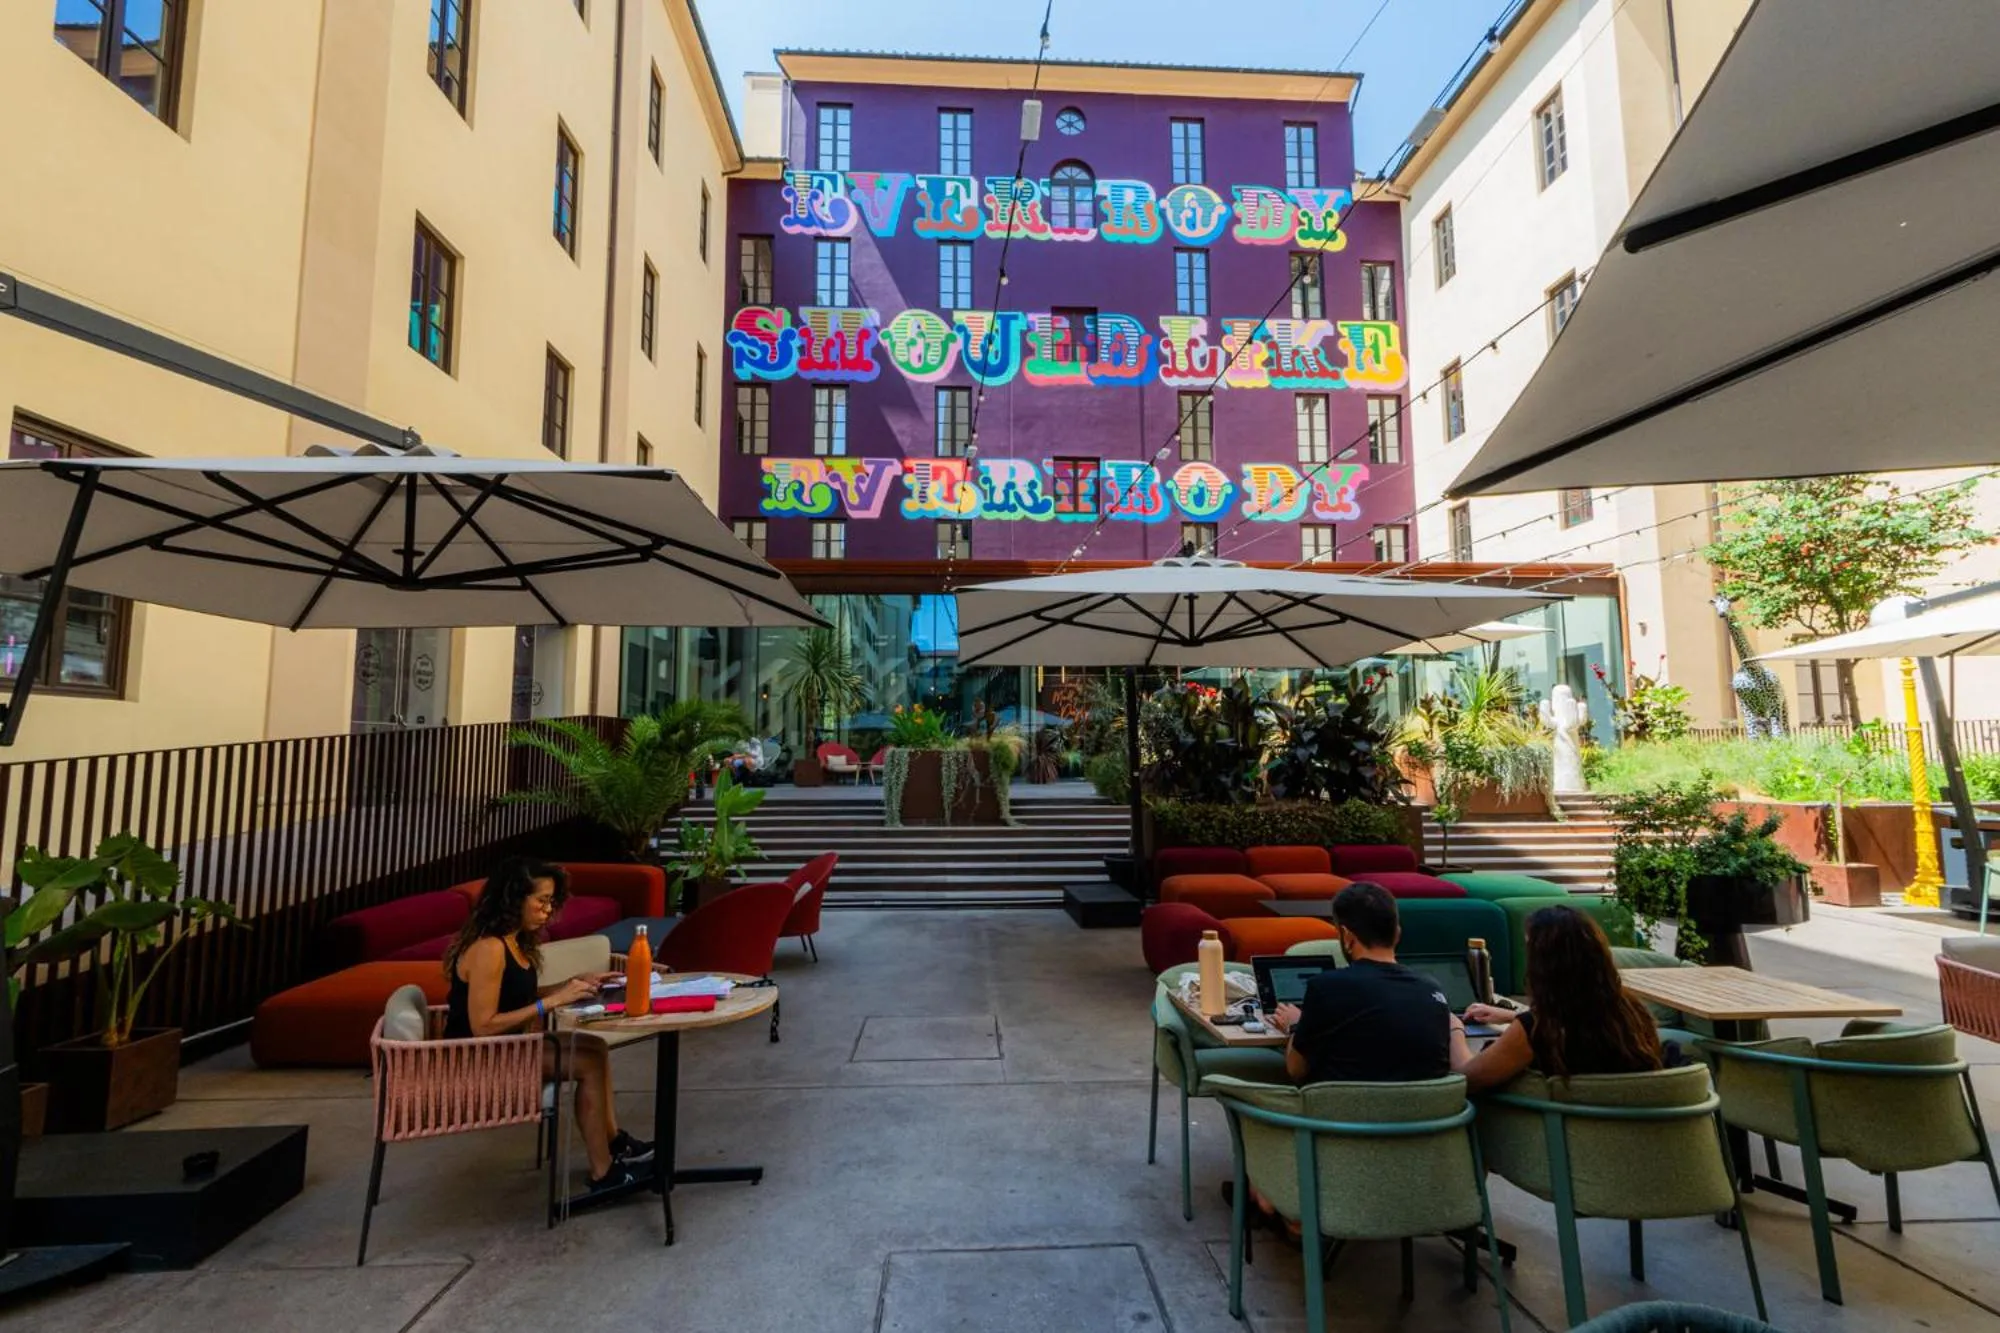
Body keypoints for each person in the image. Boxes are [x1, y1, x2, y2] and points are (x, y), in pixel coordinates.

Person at [443, 858, 653, 1194]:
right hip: (478, 1059)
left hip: (506, 1048)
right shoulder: (489, 948)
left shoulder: (513, 940)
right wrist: (551, 1002)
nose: (548, 909)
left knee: (594, 1048)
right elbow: (482, 1026)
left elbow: (514, 996)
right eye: (541, 900)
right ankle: (604, 1173)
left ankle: (613, 1143)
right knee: (586, 1063)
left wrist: (572, 984)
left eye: (552, 901)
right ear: (514, 899)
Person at [1450, 904, 1666, 1095]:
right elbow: (1581, 1019)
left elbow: (1466, 1080)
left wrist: (1454, 1028)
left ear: (1544, 965)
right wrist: (1513, 1015)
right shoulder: (1630, 1010)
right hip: (1625, 1132)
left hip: (1557, 1135)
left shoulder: (1537, 1030)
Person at [1268, 881, 1454, 1086]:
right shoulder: (1432, 989)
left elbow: (1296, 1070)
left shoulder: (1326, 988)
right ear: (1397, 933)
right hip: (1427, 1115)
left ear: (1347, 936)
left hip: (1339, 1116)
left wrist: (1295, 1024)